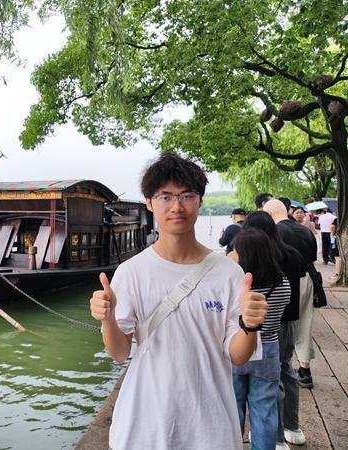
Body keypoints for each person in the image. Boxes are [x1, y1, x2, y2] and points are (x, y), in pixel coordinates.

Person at [89, 154, 268, 450]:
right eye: (165, 196)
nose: (176, 206)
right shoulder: (132, 272)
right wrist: (107, 318)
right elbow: (119, 352)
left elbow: (238, 356)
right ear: (149, 203)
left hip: (210, 427)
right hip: (144, 426)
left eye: (187, 195)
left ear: (200, 201)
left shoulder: (228, 273)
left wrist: (250, 326)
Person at [242, 211, 304, 449]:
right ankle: (281, 436)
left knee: (234, 401)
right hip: (272, 341)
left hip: (242, 343)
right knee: (266, 403)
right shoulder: (283, 276)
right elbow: (288, 300)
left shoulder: (238, 280)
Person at [228, 228, 291, 450]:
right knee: (264, 409)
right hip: (269, 349)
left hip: (237, 346)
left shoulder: (235, 285)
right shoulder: (282, 283)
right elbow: (281, 313)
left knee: (232, 406)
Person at [264, 200, 317, 435]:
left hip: (281, 297)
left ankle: (276, 433)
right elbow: (311, 260)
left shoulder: (274, 234)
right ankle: (293, 426)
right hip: (305, 284)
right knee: (302, 333)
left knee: (276, 365)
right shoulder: (305, 231)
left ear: (269, 213)